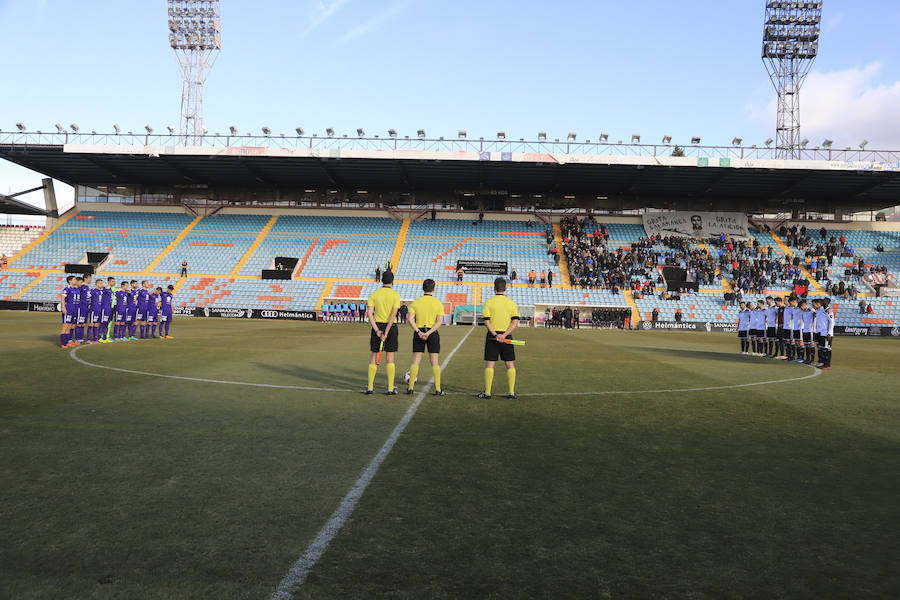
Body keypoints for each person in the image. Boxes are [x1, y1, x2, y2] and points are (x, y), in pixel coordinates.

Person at [478, 277, 519, 399]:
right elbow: (515, 322)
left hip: (492, 337)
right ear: (505, 288)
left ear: (494, 288)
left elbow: (487, 322)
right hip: (507, 337)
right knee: (510, 364)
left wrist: (496, 335)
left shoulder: (489, 302)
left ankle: (488, 393)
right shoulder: (511, 303)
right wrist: (504, 335)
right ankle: (511, 392)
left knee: (490, 364)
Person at [405, 279, 445, 396]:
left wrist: (418, 331)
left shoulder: (416, 302)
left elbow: (410, 319)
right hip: (432, 333)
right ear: (433, 288)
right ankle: (438, 389)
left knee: (415, 361)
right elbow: (439, 322)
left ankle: (411, 388)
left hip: (419, 332)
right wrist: (429, 333)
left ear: (423, 288)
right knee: (435, 362)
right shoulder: (437, 303)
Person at [365, 270, 401, 395]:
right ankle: (390, 388)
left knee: (374, 357)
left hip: (377, 327)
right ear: (393, 281)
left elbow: (370, 314)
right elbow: (393, 315)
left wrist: (377, 331)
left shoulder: (374, 294)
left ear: (381, 280)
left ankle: (370, 387)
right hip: (391, 327)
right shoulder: (395, 295)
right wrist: (386, 332)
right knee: (390, 358)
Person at [59, 275, 78, 348]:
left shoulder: (75, 289)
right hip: (68, 309)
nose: (75, 280)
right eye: (74, 279)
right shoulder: (67, 289)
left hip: (73, 310)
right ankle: (63, 343)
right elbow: (63, 298)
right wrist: (63, 307)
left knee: (69, 326)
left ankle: (66, 342)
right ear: (70, 281)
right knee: (65, 326)